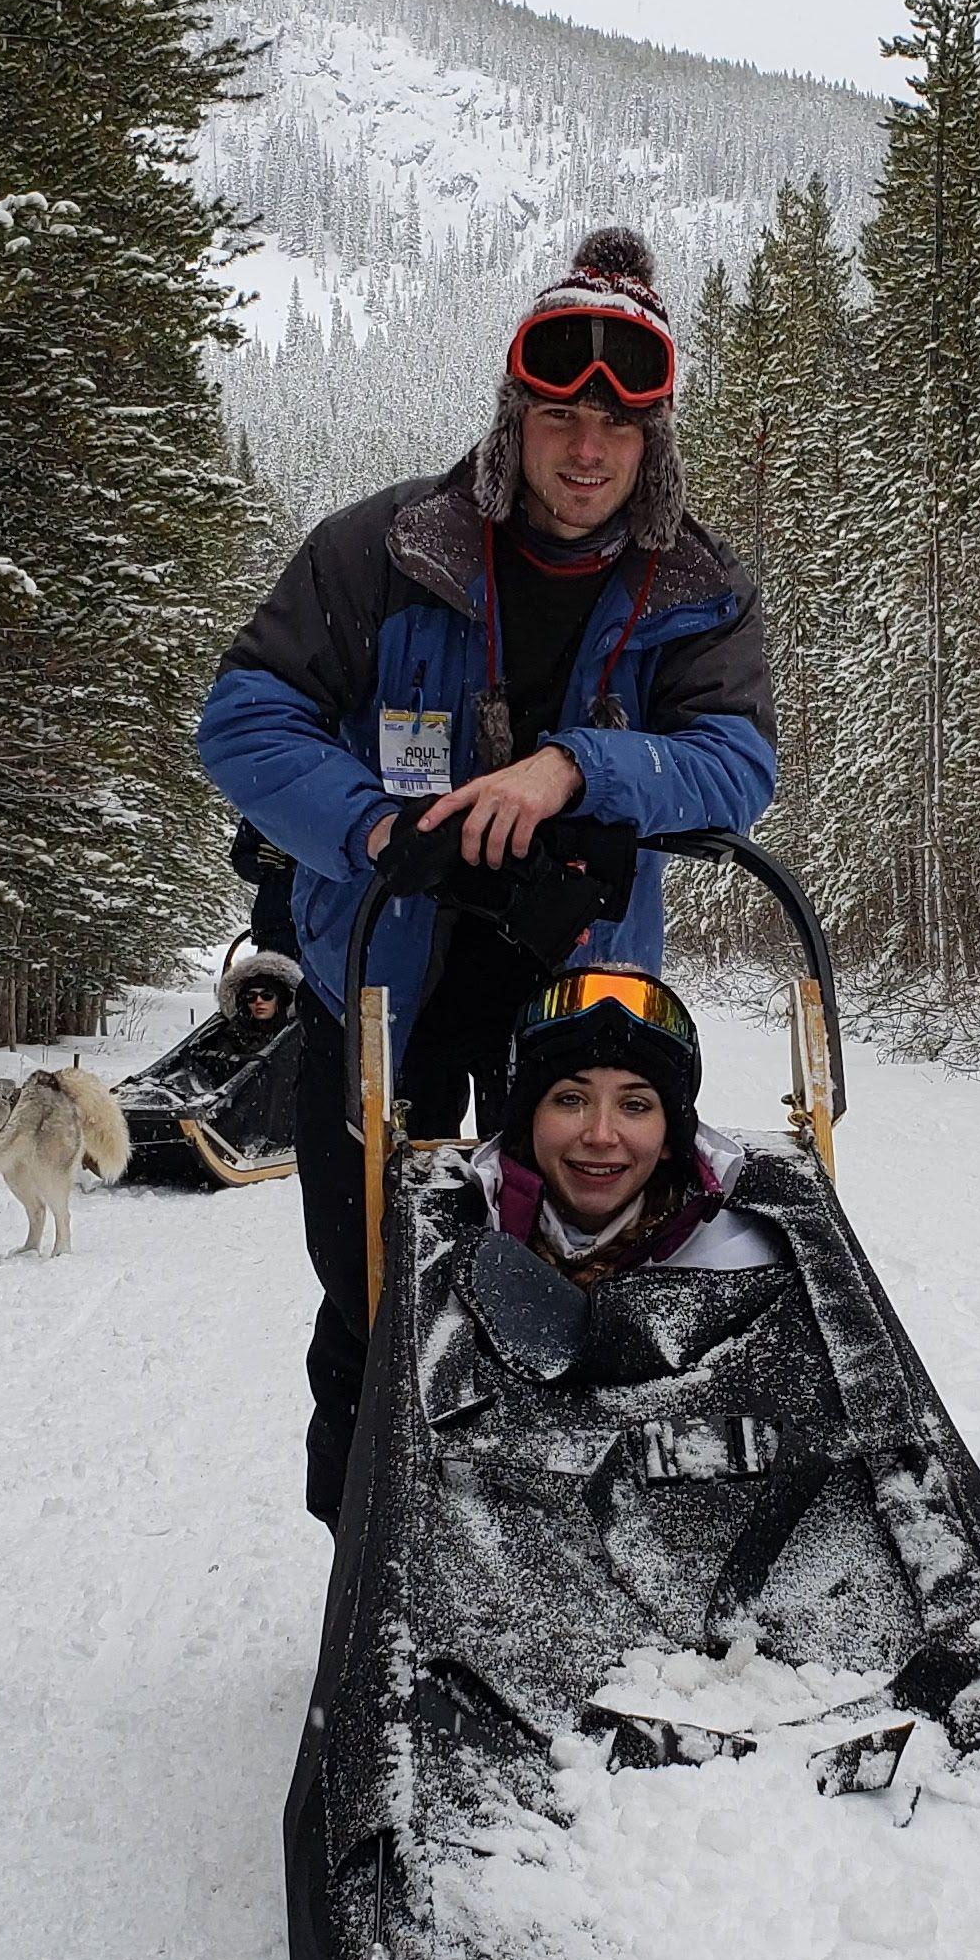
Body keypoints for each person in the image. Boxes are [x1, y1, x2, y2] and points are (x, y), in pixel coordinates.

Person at [194, 226, 779, 1520]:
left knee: (583, 1291)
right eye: (560, 417)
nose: (585, 452)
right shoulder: (384, 552)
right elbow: (241, 722)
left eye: (616, 432)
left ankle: (554, 1558)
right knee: (373, 1292)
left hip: (576, 1003)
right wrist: (374, 830)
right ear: (516, 420)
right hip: (382, 984)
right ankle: (369, 1574)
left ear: (653, 443)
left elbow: (737, 763)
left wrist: (576, 770)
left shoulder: (695, 592)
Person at [475, 969, 779, 1281]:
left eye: (634, 1106)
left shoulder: (750, 1261)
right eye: (571, 1100)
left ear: (669, 1137)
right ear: (529, 1121)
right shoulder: (445, 1237)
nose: (601, 1135)